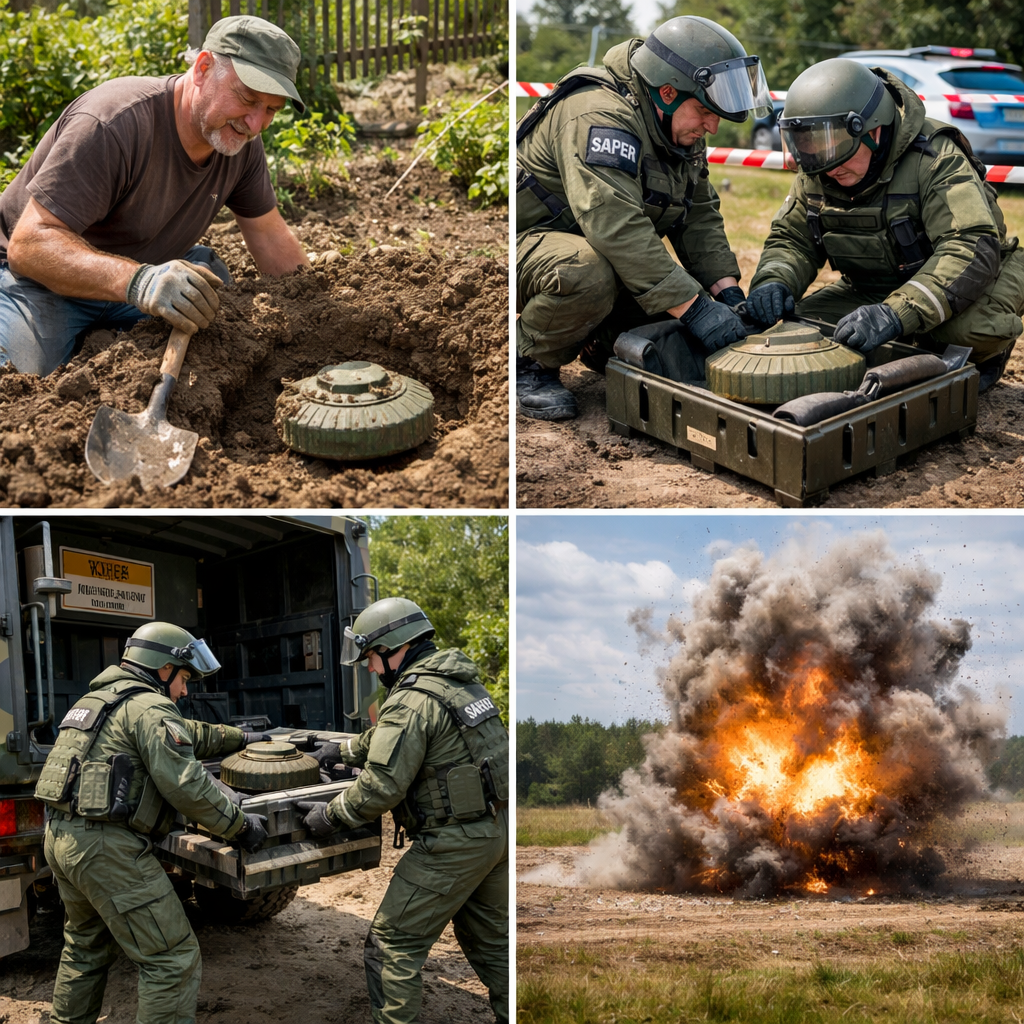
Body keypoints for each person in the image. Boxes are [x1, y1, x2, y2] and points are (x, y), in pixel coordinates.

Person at [0, 14, 311, 376]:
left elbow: (270, 237)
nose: (255, 124)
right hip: (40, 283)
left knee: (212, 294)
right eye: (246, 98)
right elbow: (29, 247)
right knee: (15, 382)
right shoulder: (113, 123)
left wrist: (318, 311)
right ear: (203, 68)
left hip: (141, 279)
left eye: (271, 109)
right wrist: (139, 282)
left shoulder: (238, 143)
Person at [515, 15, 772, 419]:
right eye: (704, 111)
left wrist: (726, 294)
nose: (713, 126)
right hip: (527, 246)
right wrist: (696, 308)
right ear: (667, 92)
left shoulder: (675, 128)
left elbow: (699, 214)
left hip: (593, 245)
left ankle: (596, 340)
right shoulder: (598, 115)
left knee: (674, 308)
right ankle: (528, 363)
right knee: (588, 272)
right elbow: (615, 226)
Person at [34, 621, 270, 1024]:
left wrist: (240, 738)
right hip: (107, 851)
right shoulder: (150, 707)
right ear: (164, 668)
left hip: (61, 839)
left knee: (85, 946)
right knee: (172, 959)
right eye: (184, 678)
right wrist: (241, 826)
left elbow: (187, 733)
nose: (185, 689)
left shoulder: (99, 700)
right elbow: (188, 787)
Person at [746, 58, 1024, 392]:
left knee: (963, 332)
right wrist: (774, 281)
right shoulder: (821, 167)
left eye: (834, 146)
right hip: (873, 288)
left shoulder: (935, 157)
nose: (826, 165)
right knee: (802, 328)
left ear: (873, 130)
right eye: (811, 147)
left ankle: (988, 354)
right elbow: (793, 240)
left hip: (977, 278)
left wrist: (894, 315)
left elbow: (969, 246)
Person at [296, 598, 509, 1024]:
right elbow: (408, 738)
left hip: (452, 845)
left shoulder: (409, 699)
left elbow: (381, 787)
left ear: (395, 648)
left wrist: (329, 816)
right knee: (494, 948)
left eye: (372, 658)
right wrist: (341, 749)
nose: (372, 669)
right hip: (495, 833)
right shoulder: (459, 684)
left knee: (391, 946)